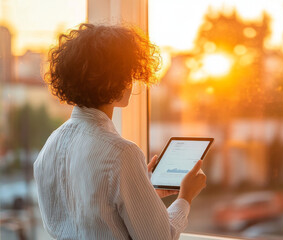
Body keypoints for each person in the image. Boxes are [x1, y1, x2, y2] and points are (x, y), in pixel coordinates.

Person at [33, 23, 207, 240]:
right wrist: (185, 197)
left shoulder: (49, 147)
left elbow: (94, 217)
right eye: (128, 73)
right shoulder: (122, 154)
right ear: (114, 79)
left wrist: (142, 192)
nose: (131, 81)